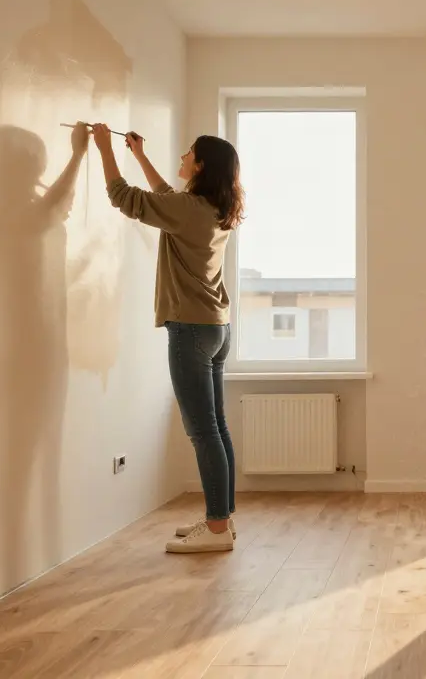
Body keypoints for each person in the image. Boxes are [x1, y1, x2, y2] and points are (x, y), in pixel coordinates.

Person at [89, 123, 245, 554]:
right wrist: (139, 156)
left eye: (187, 153)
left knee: (202, 432)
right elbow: (166, 199)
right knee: (217, 428)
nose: (181, 158)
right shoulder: (211, 208)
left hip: (191, 330)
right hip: (216, 328)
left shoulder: (190, 209)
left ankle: (216, 531)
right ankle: (223, 519)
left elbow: (127, 199)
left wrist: (105, 150)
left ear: (200, 165)